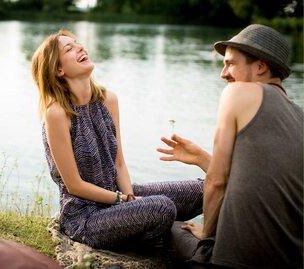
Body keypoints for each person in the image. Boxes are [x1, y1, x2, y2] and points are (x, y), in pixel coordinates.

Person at [30, 29, 204, 250]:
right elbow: (73, 185)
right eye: (69, 48)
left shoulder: (108, 100)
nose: (80, 47)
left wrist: (130, 200)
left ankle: (150, 231)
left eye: (78, 43)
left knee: (203, 190)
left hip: (118, 197)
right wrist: (122, 201)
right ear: (58, 70)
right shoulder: (56, 114)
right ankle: (156, 237)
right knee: (162, 208)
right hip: (86, 217)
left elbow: (118, 162)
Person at [158, 24, 303, 268]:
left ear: (260, 66)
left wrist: (207, 234)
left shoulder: (237, 93)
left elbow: (217, 181)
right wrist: (203, 159)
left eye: (231, 63)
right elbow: (266, 180)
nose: (223, 73)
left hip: (232, 261)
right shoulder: (299, 116)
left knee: (165, 224)